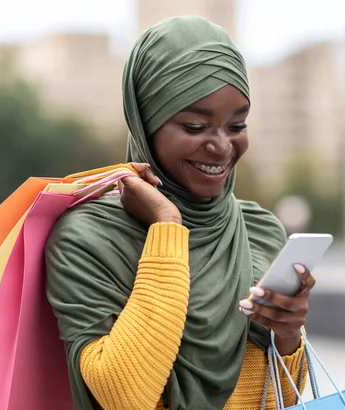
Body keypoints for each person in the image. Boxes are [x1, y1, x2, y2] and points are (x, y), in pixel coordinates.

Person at [45, 15, 316, 410]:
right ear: (146, 125)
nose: (222, 147)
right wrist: (167, 228)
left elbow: (280, 396)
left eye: (237, 124)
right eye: (195, 126)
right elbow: (123, 396)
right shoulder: (85, 239)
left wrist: (289, 335)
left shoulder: (257, 230)